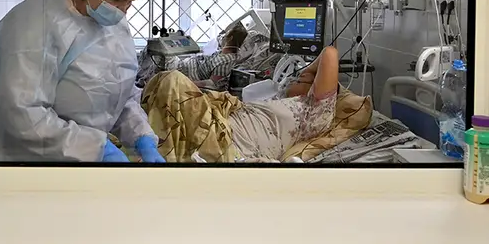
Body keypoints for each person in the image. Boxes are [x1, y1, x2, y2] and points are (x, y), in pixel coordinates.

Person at [0, 0, 165, 164]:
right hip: (34, 162)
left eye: (130, 3)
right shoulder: (38, 23)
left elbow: (116, 92)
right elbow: (24, 116)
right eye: (117, 0)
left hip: (84, 158)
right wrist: (97, 149)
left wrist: (141, 135)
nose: (123, 11)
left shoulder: (110, 21)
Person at [142, 46, 343, 163]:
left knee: (172, 81)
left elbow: (330, 53)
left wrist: (308, 73)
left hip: (225, 143)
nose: (297, 78)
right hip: (215, 124)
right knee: (159, 84)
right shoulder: (281, 103)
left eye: (302, 81)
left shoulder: (314, 114)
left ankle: (161, 160)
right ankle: (157, 148)